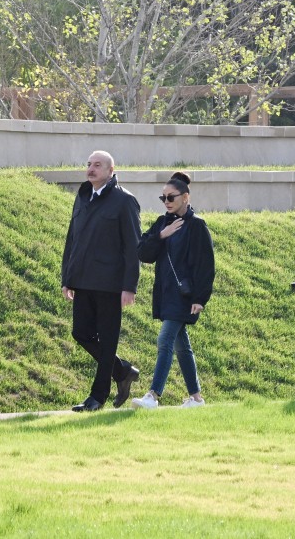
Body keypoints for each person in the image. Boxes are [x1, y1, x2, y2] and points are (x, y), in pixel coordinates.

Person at [61, 150, 142, 412]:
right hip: (83, 281)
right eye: (88, 164)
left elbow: (133, 247)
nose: (91, 169)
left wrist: (129, 286)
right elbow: (72, 240)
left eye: (97, 165)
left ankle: (97, 397)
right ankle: (122, 371)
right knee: (80, 333)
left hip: (110, 284)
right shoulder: (83, 196)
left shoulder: (124, 201)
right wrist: (67, 278)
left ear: (110, 170)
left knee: (107, 341)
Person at [133, 172, 215, 409]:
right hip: (166, 293)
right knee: (181, 345)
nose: (166, 202)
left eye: (171, 197)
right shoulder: (162, 222)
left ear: (185, 197)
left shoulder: (197, 226)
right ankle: (196, 398)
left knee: (165, 339)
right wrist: (161, 235)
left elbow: (206, 265)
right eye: (163, 198)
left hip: (185, 296)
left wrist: (200, 298)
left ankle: (153, 395)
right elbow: (143, 253)